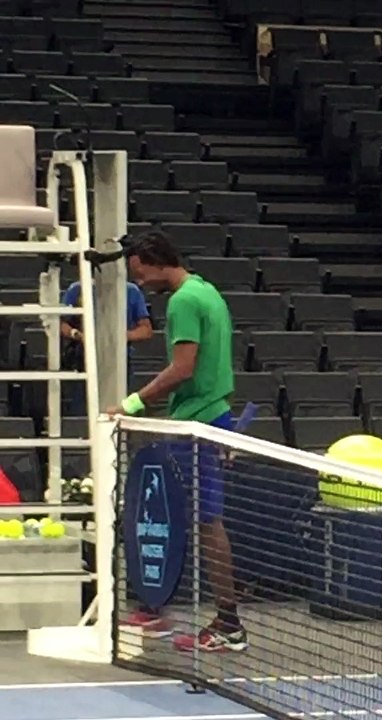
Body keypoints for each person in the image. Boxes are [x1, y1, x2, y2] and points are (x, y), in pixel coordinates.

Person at [105, 229, 245, 653]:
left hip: (198, 426)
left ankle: (229, 624)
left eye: (141, 273)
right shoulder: (207, 291)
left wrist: (131, 403)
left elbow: (183, 368)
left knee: (206, 523)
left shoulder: (185, 301)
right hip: (208, 418)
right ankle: (156, 606)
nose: (141, 282)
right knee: (179, 517)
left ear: (154, 260)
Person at [60, 280, 153, 416]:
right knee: (81, 413)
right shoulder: (76, 289)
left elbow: (146, 330)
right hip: (82, 361)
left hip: (121, 364)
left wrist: (118, 337)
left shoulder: (131, 291)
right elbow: (59, 323)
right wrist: (78, 335)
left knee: (121, 411)